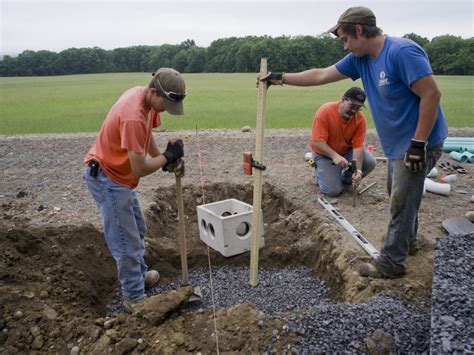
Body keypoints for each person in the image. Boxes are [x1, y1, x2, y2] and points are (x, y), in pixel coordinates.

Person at [260, 6, 448, 278]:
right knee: (399, 193)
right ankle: (410, 242)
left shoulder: (402, 52)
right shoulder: (360, 59)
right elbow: (321, 74)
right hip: (398, 146)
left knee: (401, 199)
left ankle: (392, 263)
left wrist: (419, 144)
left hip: (421, 140)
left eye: (345, 39)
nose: (345, 47)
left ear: (360, 30)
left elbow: (431, 94)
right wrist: (280, 78)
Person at [83, 68, 187, 312]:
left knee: (137, 229)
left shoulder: (145, 101)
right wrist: (167, 156)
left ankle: (138, 278)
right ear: (154, 91)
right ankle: (134, 298)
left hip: (121, 179)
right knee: (125, 241)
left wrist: (164, 158)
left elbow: (147, 135)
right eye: (165, 104)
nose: (165, 111)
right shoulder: (133, 116)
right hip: (108, 179)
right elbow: (139, 168)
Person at [309, 86, 376, 196]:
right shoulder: (325, 111)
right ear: (344, 99)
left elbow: (358, 147)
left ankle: (346, 180)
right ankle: (318, 174)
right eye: (352, 106)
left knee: (370, 162)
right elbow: (317, 141)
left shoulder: (360, 119)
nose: (354, 110)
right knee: (333, 191)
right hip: (324, 154)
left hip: (345, 152)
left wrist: (358, 170)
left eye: (358, 107)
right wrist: (335, 156)